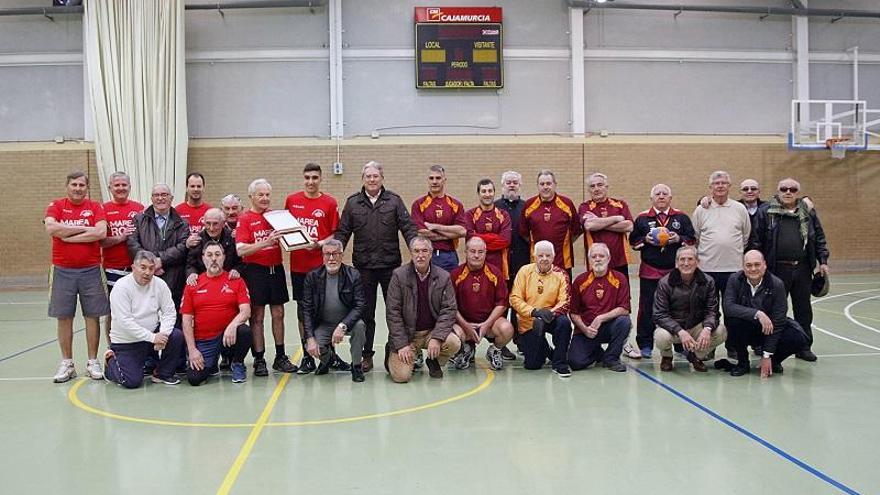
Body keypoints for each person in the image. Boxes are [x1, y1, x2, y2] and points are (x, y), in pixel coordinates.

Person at [336, 161, 418, 372]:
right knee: (366, 313)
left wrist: (416, 248)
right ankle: (367, 355)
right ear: (363, 179)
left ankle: (394, 351)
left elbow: (408, 228)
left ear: (382, 178)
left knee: (395, 311)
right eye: (368, 176)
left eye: (375, 176)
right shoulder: (353, 203)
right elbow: (343, 232)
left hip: (391, 268)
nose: (372, 180)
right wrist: (335, 253)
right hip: (363, 268)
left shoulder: (394, 201)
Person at [750, 178, 829, 362]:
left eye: (792, 189)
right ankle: (766, 345)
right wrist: (758, 266)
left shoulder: (808, 212)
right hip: (776, 270)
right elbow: (756, 241)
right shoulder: (766, 212)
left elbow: (819, 237)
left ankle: (804, 346)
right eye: (784, 189)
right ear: (778, 191)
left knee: (804, 310)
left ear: (797, 192)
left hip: (802, 269)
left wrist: (823, 260)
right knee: (773, 309)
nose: (788, 192)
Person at [44, 171, 110, 383]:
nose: (78, 188)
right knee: (64, 317)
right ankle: (67, 363)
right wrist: (84, 229)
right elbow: (51, 227)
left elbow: (100, 233)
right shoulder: (56, 205)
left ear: (86, 188)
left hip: (91, 269)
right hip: (62, 269)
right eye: (74, 184)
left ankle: (92, 362)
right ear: (67, 186)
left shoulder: (95, 207)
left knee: (93, 316)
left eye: (82, 185)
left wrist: (68, 236)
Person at [284, 163, 345, 374]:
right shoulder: (292, 201)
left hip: (322, 268)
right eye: (307, 178)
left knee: (327, 310)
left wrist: (319, 244)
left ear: (321, 179)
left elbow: (333, 235)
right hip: (299, 267)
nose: (311, 182)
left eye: (315, 178)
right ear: (303, 179)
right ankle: (308, 358)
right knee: (303, 312)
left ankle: (332, 356)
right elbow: (285, 230)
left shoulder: (329, 203)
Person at [235, 178, 297, 376]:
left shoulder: (277, 216)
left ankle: (280, 356)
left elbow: (292, 237)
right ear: (251, 197)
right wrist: (266, 242)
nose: (265, 198)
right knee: (257, 316)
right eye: (260, 195)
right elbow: (241, 250)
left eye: (267, 195)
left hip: (276, 269)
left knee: (279, 314)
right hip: (255, 271)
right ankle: (259, 359)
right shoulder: (245, 219)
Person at [628, 184, 696, 359]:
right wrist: (646, 239)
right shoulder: (643, 218)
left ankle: (680, 345)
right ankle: (645, 344)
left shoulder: (681, 218)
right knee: (647, 308)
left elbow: (691, 238)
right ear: (652, 198)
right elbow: (633, 241)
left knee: (678, 307)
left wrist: (679, 238)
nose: (661, 196)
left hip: (675, 272)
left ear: (670, 198)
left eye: (665, 194)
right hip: (650, 271)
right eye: (657, 194)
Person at [384, 236, 461, 383]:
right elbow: (392, 313)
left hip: (430, 333)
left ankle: (434, 361)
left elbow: (449, 309)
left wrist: (437, 338)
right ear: (411, 254)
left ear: (431, 253)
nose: (420, 255)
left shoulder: (443, 277)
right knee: (402, 377)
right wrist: (401, 344)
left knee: (454, 343)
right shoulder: (398, 276)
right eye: (416, 251)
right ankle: (393, 351)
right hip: (408, 336)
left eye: (425, 251)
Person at [103, 250, 185, 388]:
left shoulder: (160, 285)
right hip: (127, 342)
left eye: (151, 268)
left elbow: (169, 312)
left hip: (150, 338)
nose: (147, 272)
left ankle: (161, 374)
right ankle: (111, 360)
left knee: (175, 335)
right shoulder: (121, 287)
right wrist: (153, 338)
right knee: (132, 382)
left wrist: (163, 335)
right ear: (133, 267)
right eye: (143, 267)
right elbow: (125, 322)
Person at [691, 170, 750, 360]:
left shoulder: (739, 209)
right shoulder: (702, 209)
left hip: (734, 270)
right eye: (717, 183)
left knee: (734, 311)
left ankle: (734, 346)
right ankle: (709, 347)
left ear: (729, 186)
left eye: (724, 183)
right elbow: (695, 237)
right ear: (711, 187)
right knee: (709, 312)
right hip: (707, 270)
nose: (720, 186)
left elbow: (746, 236)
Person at [722, 250, 808, 377]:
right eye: (749, 265)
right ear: (743, 267)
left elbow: (778, 321)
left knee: (799, 337)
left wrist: (767, 354)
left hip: (769, 329)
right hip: (745, 328)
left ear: (765, 265)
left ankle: (773, 361)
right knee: (733, 321)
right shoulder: (734, 279)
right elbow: (728, 307)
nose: (753, 269)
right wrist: (758, 313)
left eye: (757, 264)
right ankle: (742, 363)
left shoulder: (777, 284)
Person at [181, 242, 252, 385]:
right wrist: (192, 350)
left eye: (217, 255)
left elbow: (246, 311)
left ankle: (237, 363)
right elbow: (186, 320)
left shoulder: (236, 281)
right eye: (209, 255)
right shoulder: (193, 284)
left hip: (228, 337)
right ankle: (211, 364)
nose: (214, 259)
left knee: (244, 330)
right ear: (203, 258)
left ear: (224, 258)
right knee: (194, 379)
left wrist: (233, 325)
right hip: (204, 340)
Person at [653, 246, 728, 372]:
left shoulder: (708, 282)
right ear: (676, 263)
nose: (686, 263)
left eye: (690, 259)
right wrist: (680, 331)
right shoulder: (664, 283)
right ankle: (666, 356)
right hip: (674, 328)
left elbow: (712, 311)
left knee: (721, 331)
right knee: (660, 336)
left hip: (696, 326)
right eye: (682, 259)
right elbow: (660, 315)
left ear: (697, 262)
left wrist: (707, 329)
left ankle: (696, 356)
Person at [301, 239, 367, 382]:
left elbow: (360, 305)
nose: (331, 258)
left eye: (335, 254)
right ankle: (328, 360)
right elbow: (306, 309)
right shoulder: (312, 277)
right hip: (324, 323)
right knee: (311, 345)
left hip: (347, 322)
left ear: (341, 255)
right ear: (322, 256)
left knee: (360, 326)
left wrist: (343, 325)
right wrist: (310, 338)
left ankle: (356, 366)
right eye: (328, 254)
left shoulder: (353, 275)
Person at [449, 237, 514, 371]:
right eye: (472, 251)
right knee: (452, 335)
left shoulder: (495, 273)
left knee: (507, 329)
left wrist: (486, 324)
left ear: (486, 253)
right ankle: (466, 348)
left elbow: (502, 302)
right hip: (464, 324)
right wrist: (466, 325)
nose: (476, 255)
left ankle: (495, 350)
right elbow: (451, 305)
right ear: (465, 252)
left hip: (489, 324)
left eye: (480, 252)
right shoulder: (455, 275)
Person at [509, 241, 573, 377]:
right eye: (541, 255)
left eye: (548, 255)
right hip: (530, 321)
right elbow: (515, 298)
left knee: (564, 323)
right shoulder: (524, 271)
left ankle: (560, 363)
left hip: (551, 317)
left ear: (553, 257)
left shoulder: (561, 274)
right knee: (533, 365)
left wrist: (549, 314)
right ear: (534, 256)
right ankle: (547, 350)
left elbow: (565, 301)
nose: (544, 259)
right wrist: (534, 312)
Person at [568, 243, 630, 373]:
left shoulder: (620, 279)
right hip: (587, 330)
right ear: (589, 260)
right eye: (593, 256)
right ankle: (597, 352)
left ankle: (611, 358)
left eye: (601, 256)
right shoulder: (580, 281)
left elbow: (624, 308)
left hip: (609, 327)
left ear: (608, 258)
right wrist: (584, 329)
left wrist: (601, 318)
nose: (597, 259)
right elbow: (573, 312)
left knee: (624, 321)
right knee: (575, 363)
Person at [127, 183, 190, 311]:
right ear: (151, 198)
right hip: (145, 275)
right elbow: (132, 243)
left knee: (170, 316)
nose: (160, 198)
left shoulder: (182, 223)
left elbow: (183, 247)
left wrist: (161, 261)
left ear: (171, 198)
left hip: (173, 278)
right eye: (156, 195)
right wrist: (150, 264)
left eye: (164, 195)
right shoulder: (139, 219)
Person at [100, 171, 144, 339]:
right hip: (112, 268)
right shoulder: (103, 209)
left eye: (124, 185)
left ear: (130, 187)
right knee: (114, 310)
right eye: (117, 185)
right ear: (110, 187)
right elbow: (100, 241)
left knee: (138, 309)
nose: (120, 188)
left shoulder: (139, 209)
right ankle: (113, 348)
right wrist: (121, 237)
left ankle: (138, 346)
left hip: (137, 269)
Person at [519, 170, 582, 277]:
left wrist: (564, 245)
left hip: (562, 263)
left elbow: (576, 231)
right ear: (538, 186)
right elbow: (524, 233)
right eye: (542, 184)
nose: (545, 187)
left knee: (563, 293)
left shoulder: (567, 204)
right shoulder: (529, 205)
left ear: (555, 185)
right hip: (537, 264)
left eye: (548, 183)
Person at [494, 170, 529, 360]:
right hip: (501, 265)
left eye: (515, 182)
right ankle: (502, 343)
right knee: (503, 304)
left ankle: (521, 340)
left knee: (520, 305)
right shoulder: (495, 207)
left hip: (522, 264)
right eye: (508, 182)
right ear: (502, 185)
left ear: (520, 185)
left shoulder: (527, 207)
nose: (512, 185)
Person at [410, 165, 467, 272]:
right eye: (431, 178)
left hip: (449, 256)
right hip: (426, 255)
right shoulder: (418, 204)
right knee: (426, 289)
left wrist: (435, 227)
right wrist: (450, 234)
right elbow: (421, 233)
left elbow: (462, 231)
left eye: (438, 178)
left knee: (449, 288)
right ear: (427, 180)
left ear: (444, 180)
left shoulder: (456, 204)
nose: (434, 181)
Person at [578, 172, 633, 278]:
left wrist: (598, 222)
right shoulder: (585, 207)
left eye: (600, 185)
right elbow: (589, 226)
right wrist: (616, 219)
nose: (596, 189)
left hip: (619, 260)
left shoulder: (620, 205)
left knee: (621, 293)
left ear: (606, 187)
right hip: (596, 261)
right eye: (592, 186)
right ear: (589, 190)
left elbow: (629, 226)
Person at [462, 178, 511, 279]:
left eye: (490, 191)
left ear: (494, 193)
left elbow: (505, 241)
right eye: (483, 191)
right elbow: (470, 239)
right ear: (478, 194)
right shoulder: (469, 215)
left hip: (499, 266)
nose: (487, 194)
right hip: (475, 266)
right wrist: (494, 237)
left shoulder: (504, 215)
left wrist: (478, 238)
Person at [185, 208, 242, 284]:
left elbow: (241, 262)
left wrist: (236, 270)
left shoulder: (232, 238)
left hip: (228, 281)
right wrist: (191, 273)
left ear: (223, 223)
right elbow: (190, 264)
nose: (211, 228)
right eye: (208, 223)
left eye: (215, 224)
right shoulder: (197, 240)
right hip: (204, 282)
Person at [176, 172, 212, 238]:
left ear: (203, 188)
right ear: (186, 188)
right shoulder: (177, 211)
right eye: (192, 186)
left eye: (199, 186)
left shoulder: (210, 211)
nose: (196, 189)